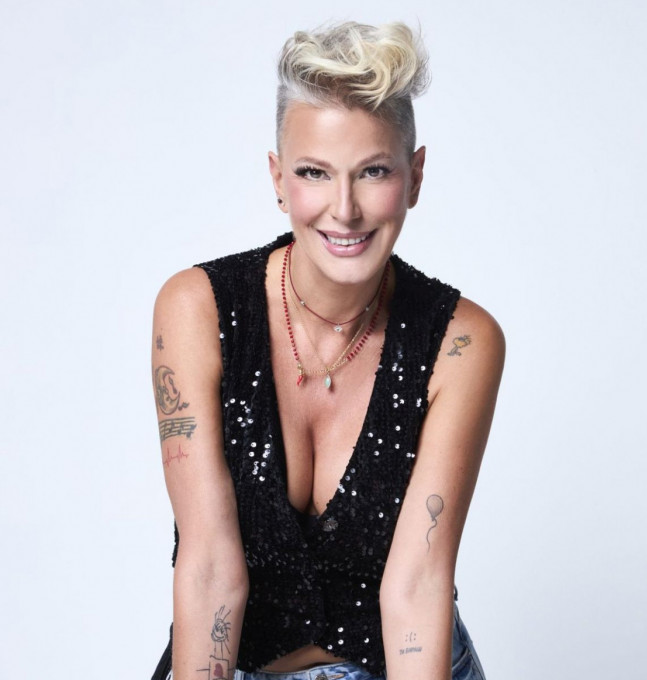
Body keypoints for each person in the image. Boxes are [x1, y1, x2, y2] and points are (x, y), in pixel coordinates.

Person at [151, 21, 505, 680]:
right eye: (314, 173)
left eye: (373, 171)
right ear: (278, 178)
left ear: (415, 176)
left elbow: (418, 585)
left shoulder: (461, 342)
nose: (344, 209)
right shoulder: (197, 309)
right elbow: (210, 569)